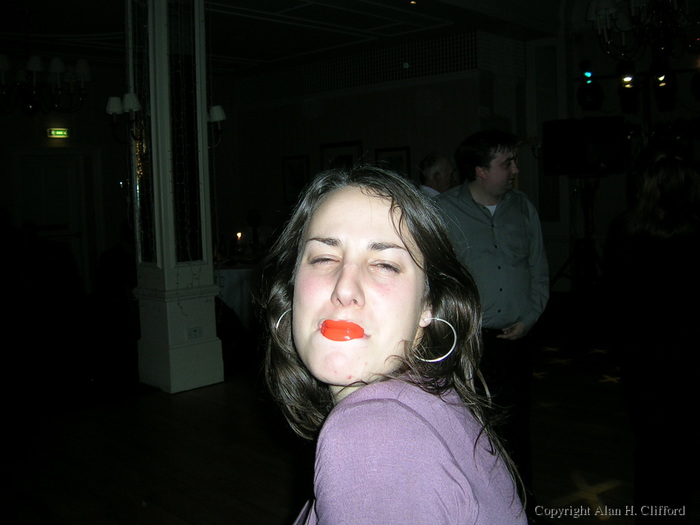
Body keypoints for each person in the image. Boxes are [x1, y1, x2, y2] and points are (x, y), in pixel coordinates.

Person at [259, 164, 526, 524]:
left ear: (428, 304)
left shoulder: (373, 434)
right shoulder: (426, 403)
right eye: (323, 258)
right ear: (291, 287)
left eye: (384, 264)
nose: (344, 289)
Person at [433, 130, 549, 521]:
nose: (515, 170)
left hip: (517, 340)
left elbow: (538, 269)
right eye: (507, 163)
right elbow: (433, 276)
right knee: (473, 432)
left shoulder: (522, 207)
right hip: (470, 343)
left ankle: (524, 509)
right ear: (481, 171)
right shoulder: (445, 211)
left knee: (518, 430)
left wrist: (529, 318)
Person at [602, 142, 700, 524]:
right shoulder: (692, 231)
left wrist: (620, 348)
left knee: (650, 441)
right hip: (684, 354)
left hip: (643, 356)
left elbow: (613, 297)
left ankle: (653, 510)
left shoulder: (626, 229)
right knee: (682, 440)